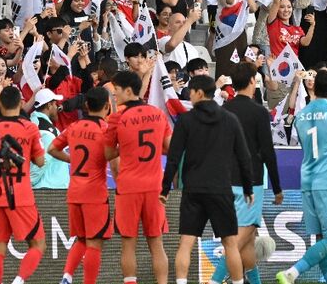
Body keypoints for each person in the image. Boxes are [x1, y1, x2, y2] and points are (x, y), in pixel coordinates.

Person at [160, 75, 253, 284]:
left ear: (199, 93)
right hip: (220, 188)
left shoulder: (185, 120)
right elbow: (244, 157)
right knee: (230, 243)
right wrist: (248, 188)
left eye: (190, 92)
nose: (189, 96)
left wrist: (164, 189)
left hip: (193, 188)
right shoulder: (230, 119)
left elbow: (173, 158)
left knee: (186, 242)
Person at [276, 69, 327, 284]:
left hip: (307, 179)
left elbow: (305, 144)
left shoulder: (301, 114)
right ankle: (292, 272)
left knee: (320, 238)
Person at [208, 62, 283, 283]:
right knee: (238, 241)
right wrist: (277, 187)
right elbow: (268, 151)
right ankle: (214, 280)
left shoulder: (224, 110)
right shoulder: (259, 111)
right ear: (253, 81)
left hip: (226, 181)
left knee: (249, 240)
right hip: (251, 182)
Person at [104, 71, 174, 284]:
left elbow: (107, 154)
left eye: (115, 91)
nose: (114, 96)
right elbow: (170, 148)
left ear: (127, 90)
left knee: (128, 243)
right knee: (157, 243)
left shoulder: (117, 117)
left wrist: (124, 148)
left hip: (128, 188)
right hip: (154, 186)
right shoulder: (158, 114)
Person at [48, 87, 113, 284]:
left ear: (86, 106)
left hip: (74, 192)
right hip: (94, 194)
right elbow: (112, 153)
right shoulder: (105, 130)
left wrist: (71, 160)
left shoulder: (73, 127)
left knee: (82, 239)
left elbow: (51, 149)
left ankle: (67, 276)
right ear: (107, 106)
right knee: (94, 243)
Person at [0, 86, 46, 284]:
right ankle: (19, 281)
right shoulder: (30, 127)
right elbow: (40, 161)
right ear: (21, 104)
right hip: (21, 195)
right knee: (38, 244)